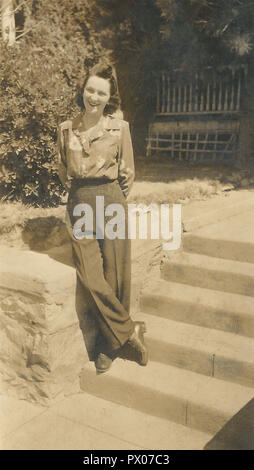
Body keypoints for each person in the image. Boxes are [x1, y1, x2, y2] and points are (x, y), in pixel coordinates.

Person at [57, 61, 148, 374]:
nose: (93, 97)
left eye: (101, 92)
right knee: (91, 276)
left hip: (110, 199)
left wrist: (113, 200)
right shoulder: (66, 128)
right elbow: (61, 169)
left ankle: (108, 347)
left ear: (110, 97)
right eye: (89, 90)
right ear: (82, 90)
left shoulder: (119, 128)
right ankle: (128, 330)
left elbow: (128, 173)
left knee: (115, 275)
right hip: (79, 201)